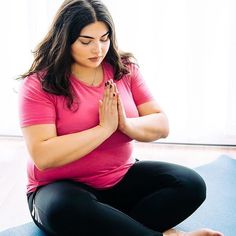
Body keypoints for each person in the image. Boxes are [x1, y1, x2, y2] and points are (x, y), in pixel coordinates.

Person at [18, 0, 223, 235]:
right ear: (65, 39)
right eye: (86, 41)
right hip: (59, 191)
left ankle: (117, 227)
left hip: (120, 179)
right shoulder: (39, 84)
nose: (98, 49)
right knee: (64, 210)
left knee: (190, 185)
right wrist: (104, 129)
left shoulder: (124, 69)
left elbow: (161, 124)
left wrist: (125, 124)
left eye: (104, 38)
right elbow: (43, 156)